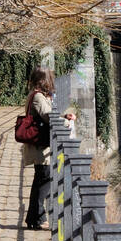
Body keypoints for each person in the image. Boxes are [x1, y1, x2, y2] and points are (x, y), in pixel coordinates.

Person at [22, 68, 74, 230]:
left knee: (41, 180)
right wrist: (66, 123)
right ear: (44, 81)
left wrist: (63, 117)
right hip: (40, 146)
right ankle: (37, 219)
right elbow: (48, 116)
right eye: (50, 79)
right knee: (43, 180)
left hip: (41, 144)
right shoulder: (37, 97)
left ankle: (34, 218)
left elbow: (48, 114)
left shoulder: (37, 95)